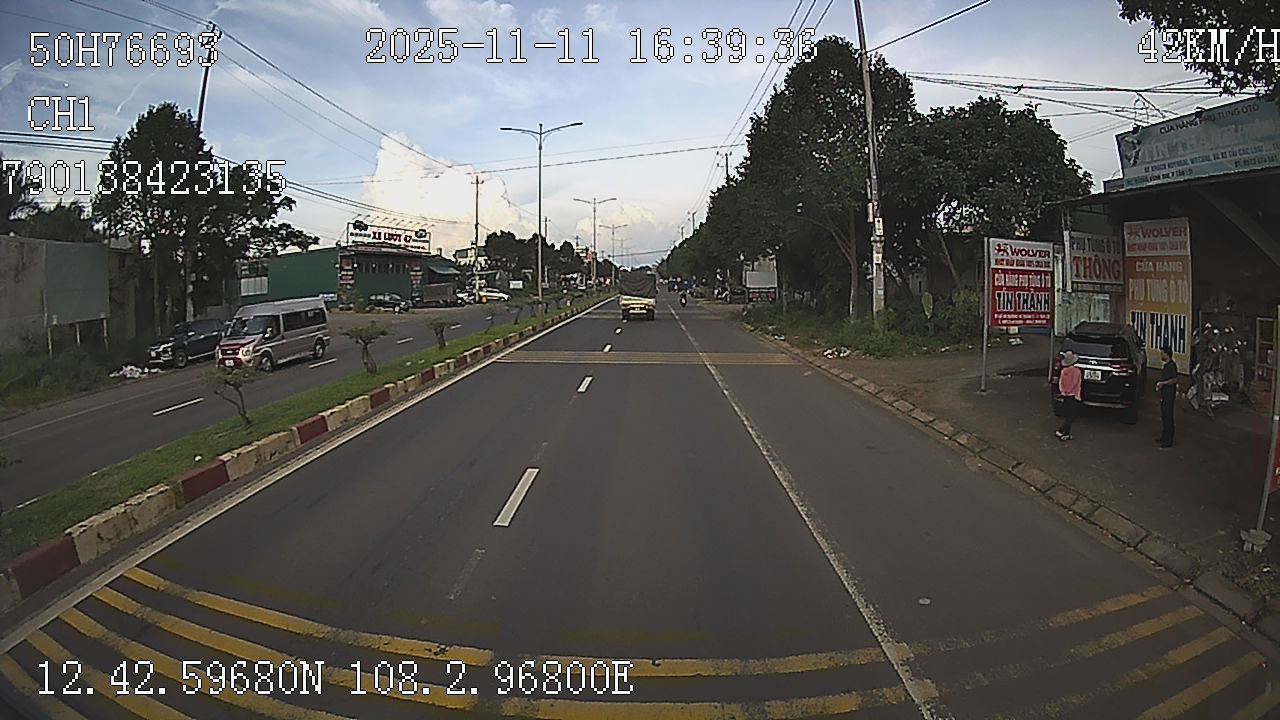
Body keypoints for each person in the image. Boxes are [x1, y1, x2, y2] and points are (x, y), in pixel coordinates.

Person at [1154, 346, 1178, 448]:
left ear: (1167, 354)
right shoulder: (1166, 366)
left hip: (1169, 395)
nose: (1161, 355)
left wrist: (1163, 383)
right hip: (1164, 394)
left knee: (1168, 417)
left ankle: (1168, 440)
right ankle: (1164, 437)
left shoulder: (1171, 366)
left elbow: (1174, 380)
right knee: (1164, 416)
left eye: (1162, 353)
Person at [1055, 350, 1082, 441]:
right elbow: (1075, 383)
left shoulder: (1064, 371)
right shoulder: (1076, 371)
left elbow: (1060, 383)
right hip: (1073, 395)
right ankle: (1062, 431)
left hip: (1065, 395)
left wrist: (1063, 391)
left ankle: (1065, 433)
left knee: (1068, 414)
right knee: (1072, 415)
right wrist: (1070, 391)